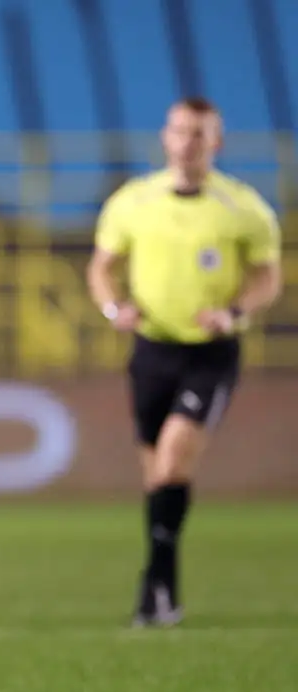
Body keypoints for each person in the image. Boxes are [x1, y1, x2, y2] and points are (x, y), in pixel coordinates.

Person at [86, 97, 283, 627]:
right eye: (179, 131)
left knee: (173, 458)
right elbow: (103, 266)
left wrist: (235, 310)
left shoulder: (243, 208)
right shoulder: (134, 202)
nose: (187, 141)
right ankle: (163, 588)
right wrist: (113, 308)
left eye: (199, 133)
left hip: (210, 353)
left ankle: (154, 587)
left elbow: (268, 276)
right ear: (166, 138)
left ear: (215, 142)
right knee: (156, 474)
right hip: (151, 349)